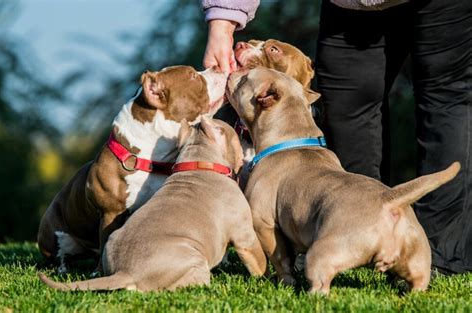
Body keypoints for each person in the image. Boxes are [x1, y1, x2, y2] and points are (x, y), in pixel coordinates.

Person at [200, 0, 471, 275]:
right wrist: (222, 23)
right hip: (353, 6)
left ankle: (440, 255)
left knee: (446, 100)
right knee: (347, 106)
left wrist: (222, 22)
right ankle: (356, 241)